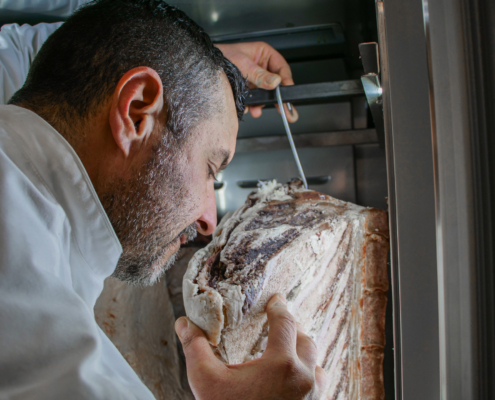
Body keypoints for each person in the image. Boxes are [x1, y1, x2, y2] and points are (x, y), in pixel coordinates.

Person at [0, 1, 325, 399]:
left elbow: (59, 60)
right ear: (137, 113)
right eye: (211, 168)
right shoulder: (26, 301)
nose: (209, 222)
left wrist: (191, 66)